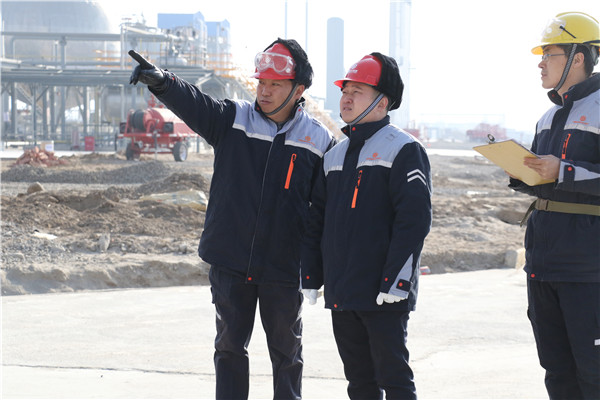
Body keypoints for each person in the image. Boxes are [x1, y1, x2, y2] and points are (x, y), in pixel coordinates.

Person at [129, 38, 336, 399]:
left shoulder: (318, 141)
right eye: (261, 83)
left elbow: (325, 210)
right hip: (231, 260)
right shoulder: (233, 119)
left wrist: (317, 268)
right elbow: (196, 103)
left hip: (283, 267)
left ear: (298, 89)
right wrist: (163, 82)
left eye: (275, 85)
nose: (264, 91)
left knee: (287, 353)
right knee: (229, 347)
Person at [300, 53, 432, 399]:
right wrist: (311, 275)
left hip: (383, 292)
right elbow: (317, 219)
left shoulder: (403, 149)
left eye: (357, 91)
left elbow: (414, 221)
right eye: (345, 91)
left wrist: (397, 280)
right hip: (343, 291)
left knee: (394, 380)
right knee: (359, 382)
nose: (346, 98)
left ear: (382, 102)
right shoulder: (334, 155)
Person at [508, 12, 600, 399]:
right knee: (556, 371)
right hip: (543, 263)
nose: (541, 63)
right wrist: (521, 172)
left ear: (578, 58)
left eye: (549, 54)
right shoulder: (548, 116)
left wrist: (563, 171)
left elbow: (567, 174)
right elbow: (547, 179)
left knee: (593, 373)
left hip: (588, 267)